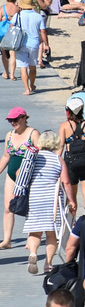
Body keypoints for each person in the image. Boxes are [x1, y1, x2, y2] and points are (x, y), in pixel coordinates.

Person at [24, 131, 71, 275]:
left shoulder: (33, 157)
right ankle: (48, 264)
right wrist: (72, 199)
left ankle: (33, 253)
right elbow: (66, 182)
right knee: (51, 234)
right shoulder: (58, 159)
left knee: (35, 231)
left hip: (34, 198)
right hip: (52, 201)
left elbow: (21, 173)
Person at [0, 105, 39, 248]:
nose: (12, 122)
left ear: (24, 118)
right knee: (8, 207)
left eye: (15, 119)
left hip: (28, 176)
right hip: (12, 176)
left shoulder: (33, 133)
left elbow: (39, 155)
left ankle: (31, 239)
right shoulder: (9, 135)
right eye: (10, 120)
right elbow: (6, 156)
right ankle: (7, 240)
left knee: (29, 207)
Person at [59, 96, 85, 215]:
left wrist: (57, 162)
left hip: (70, 161)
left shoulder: (65, 126)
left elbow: (60, 146)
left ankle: (71, 223)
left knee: (71, 196)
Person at [13, 0, 49, 94]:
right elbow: (43, 31)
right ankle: (32, 85)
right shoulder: (38, 16)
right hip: (34, 44)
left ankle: (27, 89)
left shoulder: (18, 15)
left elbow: (11, 27)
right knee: (32, 66)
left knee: (23, 67)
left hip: (20, 43)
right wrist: (46, 44)